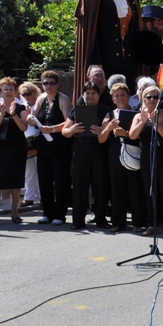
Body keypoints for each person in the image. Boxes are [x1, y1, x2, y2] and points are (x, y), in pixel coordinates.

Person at [74, 0, 142, 102]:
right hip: (104, 68)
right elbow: (89, 36)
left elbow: (136, 35)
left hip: (129, 66)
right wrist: (95, 64)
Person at [98, 83, 147, 232]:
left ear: (128, 96)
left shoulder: (136, 113)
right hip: (115, 153)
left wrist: (124, 133)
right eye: (116, 95)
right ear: (113, 99)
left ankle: (139, 222)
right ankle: (118, 222)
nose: (120, 98)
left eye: (123, 95)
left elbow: (140, 136)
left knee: (135, 187)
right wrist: (109, 128)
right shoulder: (109, 115)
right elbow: (100, 138)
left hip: (132, 151)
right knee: (117, 187)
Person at [62, 81, 111, 230]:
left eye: (93, 93)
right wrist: (72, 130)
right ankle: (77, 221)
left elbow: (107, 130)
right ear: (83, 95)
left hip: (99, 153)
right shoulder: (76, 111)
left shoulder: (106, 111)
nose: (90, 96)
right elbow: (64, 131)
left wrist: (101, 131)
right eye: (87, 93)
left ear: (98, 95)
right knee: (79, 187)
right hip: (80, 153)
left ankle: (101, 219)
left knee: (100, 187)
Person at [129, 85, 163, 237]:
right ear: (143, 99)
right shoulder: (138, 116)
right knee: (150, 191)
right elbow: (132, 135)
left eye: (155, 97)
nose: (152, 100)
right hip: (146, 158)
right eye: (148, 97)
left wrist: (156, 122)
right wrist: (143, 121)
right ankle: (152, 223)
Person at [29, 71, 73, 225]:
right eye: (45, 83)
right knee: (44, 180)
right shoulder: (41, 98)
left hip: (60, 145)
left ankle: (60, 215)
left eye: (51, 83)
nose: (49, 86)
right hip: (44, 145)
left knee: (61, 180)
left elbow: (69, 122)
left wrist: (53, 129)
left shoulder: (63, 99)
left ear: (57, 84)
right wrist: (30, 118)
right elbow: (33, 117)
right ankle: (47, 212)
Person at [0, 77, 30, 227]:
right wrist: (2, 113)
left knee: (16, 181)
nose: (8, 92)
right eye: (5, 89)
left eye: (11, 89)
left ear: (15, 91)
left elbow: (24, 127)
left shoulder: (21, 108)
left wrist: (13, 114)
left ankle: (15, 212)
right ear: (0, 91)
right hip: (0, 148)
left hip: (17, 148)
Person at [18, 82, 41, 208]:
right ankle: (29, 196)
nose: (26, 97)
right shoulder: (22, 106)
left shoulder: (41, 103)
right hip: (26, 140)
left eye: (28, 93)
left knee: (40, 169)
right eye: (24, 94)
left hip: (38, 138)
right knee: (28, 170)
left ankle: (42, 196)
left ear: (34, 92)